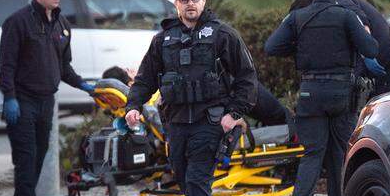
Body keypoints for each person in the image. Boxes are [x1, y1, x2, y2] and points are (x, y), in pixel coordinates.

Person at [124, 0, 258, 196]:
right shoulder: (164, 40)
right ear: (177, 4)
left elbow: (247, 79)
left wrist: (233, 115)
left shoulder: (223, 35)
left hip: (210, 122)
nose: (190, 3)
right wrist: (132, 105)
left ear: (204, 1)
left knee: (198, 181)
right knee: (188, 183)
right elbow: (146, 78)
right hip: (176, 123)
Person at [265, 0, 379, 196]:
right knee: (341, 154)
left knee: (313, 152)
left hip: (310, 92)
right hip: (341, 92)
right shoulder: (347, 16)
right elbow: (371, 49)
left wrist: (299, 47)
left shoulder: (297, 18)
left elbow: (271, 47)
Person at [0, 0, 95, 196]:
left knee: (36, 162)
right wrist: (11, 98)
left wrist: (85, 86)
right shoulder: (17, 22)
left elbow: (64, 67)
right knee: (26, 163)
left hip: (45, 103)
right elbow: (6, 66)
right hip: (23, 103)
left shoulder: (62, 24)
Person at [103, 65, 288, 127]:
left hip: (197, 105)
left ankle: (281, 119)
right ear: (130, 84)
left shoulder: (128, 107)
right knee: (236, 82)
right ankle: (285, 120)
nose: (135, 69)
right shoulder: (144, 98)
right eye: (130, 70)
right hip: (198, 110)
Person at [290, 0, 390, 96]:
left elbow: (362, 22)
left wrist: (368, 56)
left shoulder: (340, 2)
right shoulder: (330, 19)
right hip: (380, 70)